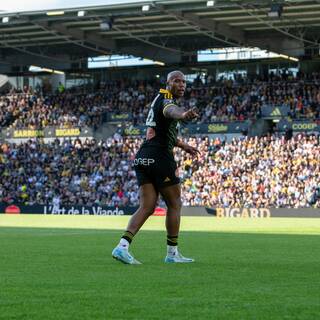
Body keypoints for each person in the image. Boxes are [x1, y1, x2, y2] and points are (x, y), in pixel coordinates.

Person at [112, 70, 200, 264]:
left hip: (143, 157)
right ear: (167, 83)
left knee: (147, 206)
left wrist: (183, 145)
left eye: (184, 82)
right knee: (175, 204)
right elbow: (171, 111)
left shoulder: (158, 99)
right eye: (177, 81)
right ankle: (172, 253)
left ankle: (122, 247)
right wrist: (184, 114)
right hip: (160, 157)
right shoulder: (166, 100)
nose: (182, 85)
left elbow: (159, 131)